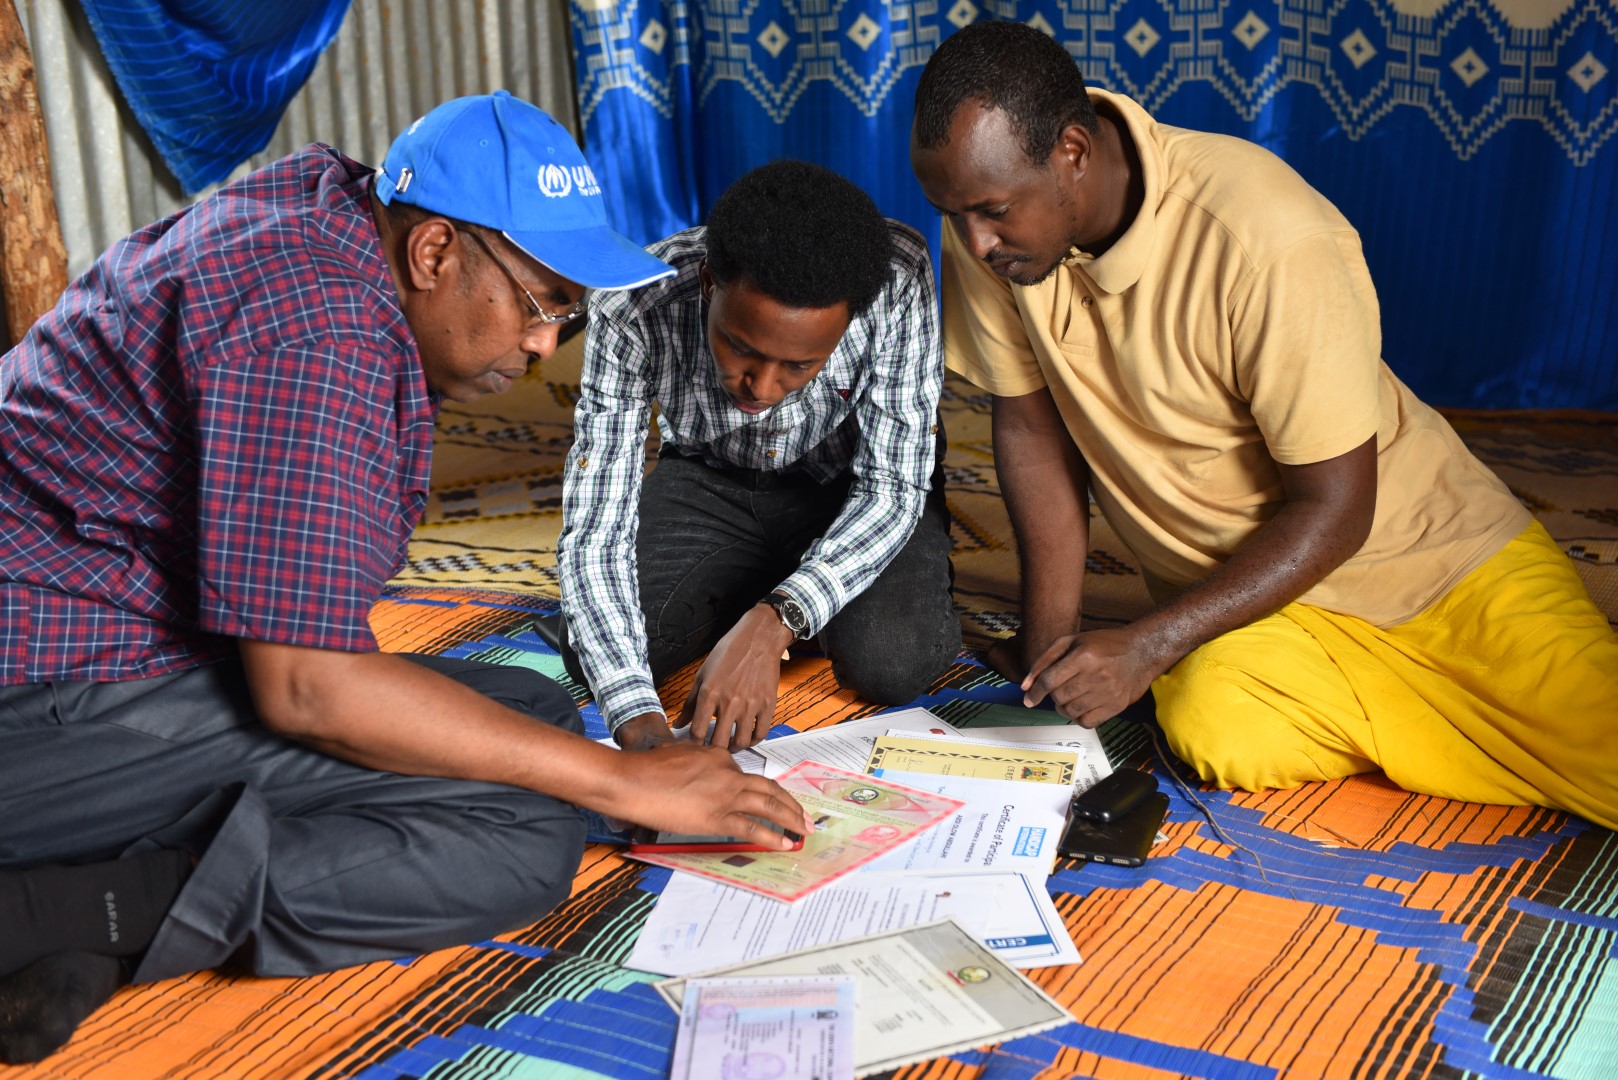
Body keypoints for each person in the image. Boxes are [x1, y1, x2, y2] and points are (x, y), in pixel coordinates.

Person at [0, 91, 811, 1065]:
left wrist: (600, 773)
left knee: (521, 707)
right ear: (433, 253)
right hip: (39, 705)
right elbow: (307, 687)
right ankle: (76, 909)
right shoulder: (317, 332)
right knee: (519, 839)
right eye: (543, 304)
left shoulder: (326, 218)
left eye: (568, 316)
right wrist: (626, 781)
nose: (544, 345)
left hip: (108, 656)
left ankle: (96, 917)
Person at [909, 22, 1618, 829]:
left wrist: (1148, 644)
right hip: (1255, 603)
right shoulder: (995, 224)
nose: (972, 240)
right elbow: (1033, 435)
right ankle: (1408, 716)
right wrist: (1048, 653)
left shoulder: (1267, 237)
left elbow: (1339, 509)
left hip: (1436, 569)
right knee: (1214, 726)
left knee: (1603, 744)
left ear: (1073, 150)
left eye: (992, 213)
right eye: (953, 214)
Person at [550, 159, 960, 752]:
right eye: (739, 347)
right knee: (596, 655)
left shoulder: (895, 278)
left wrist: (775, 624)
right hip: (711, 478)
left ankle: (778, 593)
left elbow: (893, 489)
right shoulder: (634, 305)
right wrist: (641, 729)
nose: (761, 388)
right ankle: (777, 582)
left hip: (852, 485)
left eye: (799, 365)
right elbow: (596, 531)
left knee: (891, 661)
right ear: (709, 283)